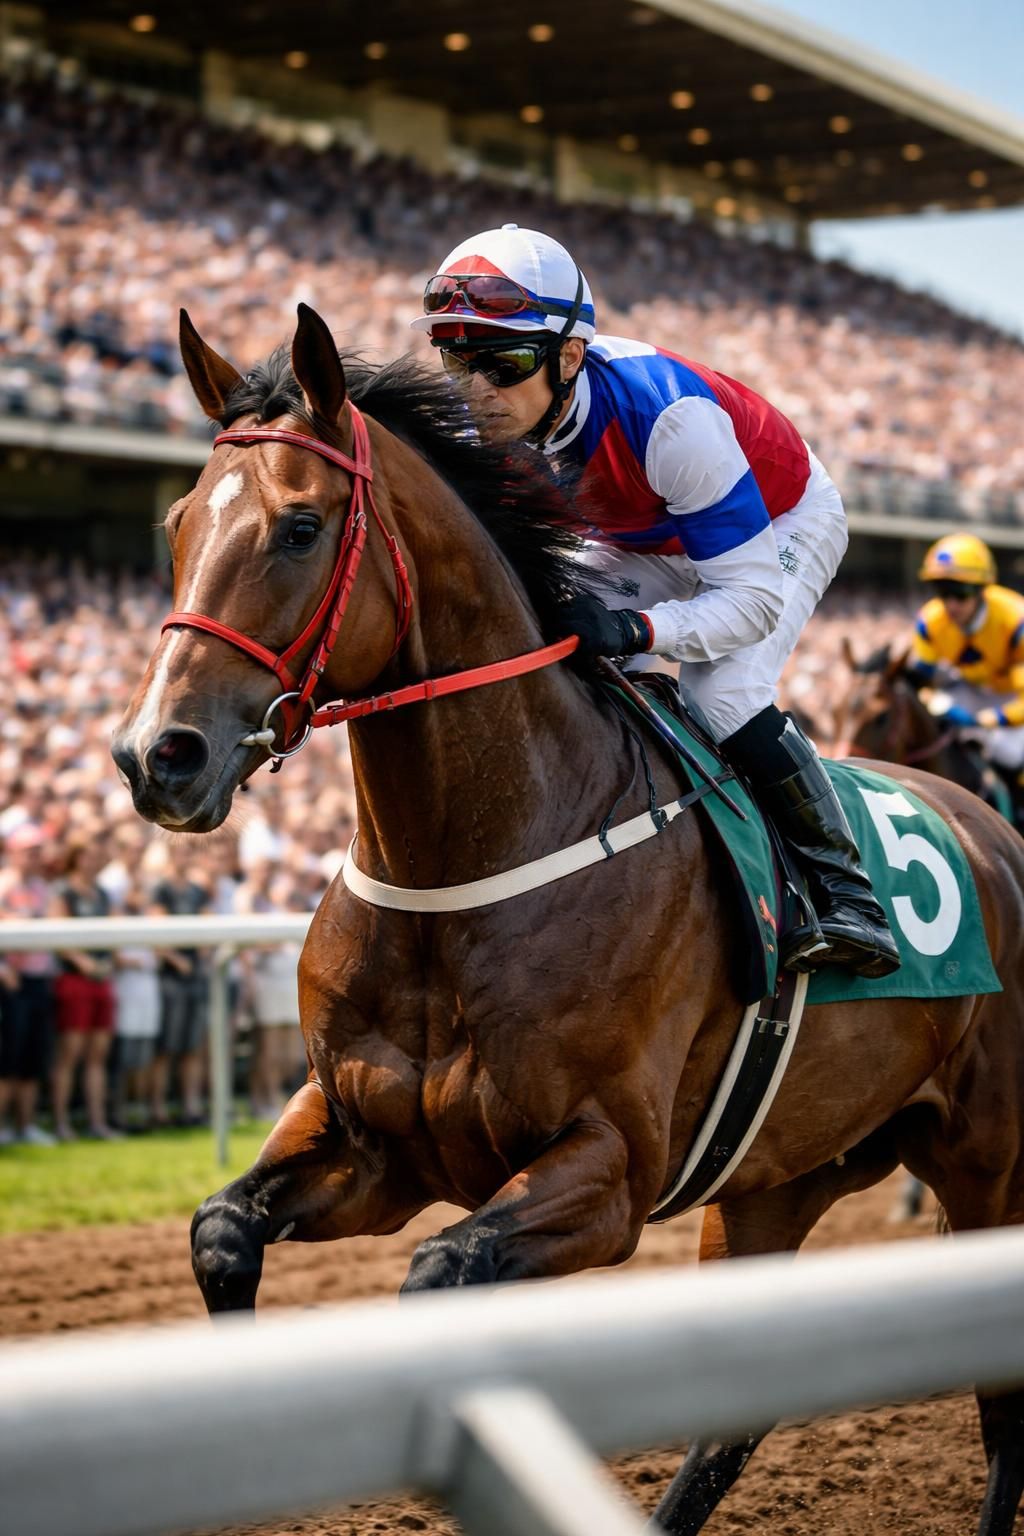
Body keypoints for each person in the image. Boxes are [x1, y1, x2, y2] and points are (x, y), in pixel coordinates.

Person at [411, 223, 899, 978]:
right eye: (457, 362)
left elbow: (751, 603)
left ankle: (849, 894)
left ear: (568, 356)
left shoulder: (671, 419)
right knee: (548, 645)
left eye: (503, 365)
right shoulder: (494, 428)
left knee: (722, 693)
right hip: (640, 531)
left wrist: (635, 629)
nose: (477, 393)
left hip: (779, 519)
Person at [908, 534, 1024, 784]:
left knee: (1011, 755)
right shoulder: (929, 622)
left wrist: (985, 720)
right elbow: (921, 685)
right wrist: (934, 701)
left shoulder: (1016, 621)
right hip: (969, 690)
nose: (951, 604)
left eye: (960, 593)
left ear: (982, 590)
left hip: (1013, 699)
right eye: (942, 592)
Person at [49, 837, 118, 1140]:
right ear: (75, 858)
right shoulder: (62, 891)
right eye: (88, 855)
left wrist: (107, 962)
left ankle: (97, 1122)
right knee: (69, 1054)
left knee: (97, 1056)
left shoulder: (102, 893)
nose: (94, 861)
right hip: (74, 981)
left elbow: (115, 931)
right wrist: (85, 963)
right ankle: (61, 1123)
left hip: (101, 980)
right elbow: (58, 938)